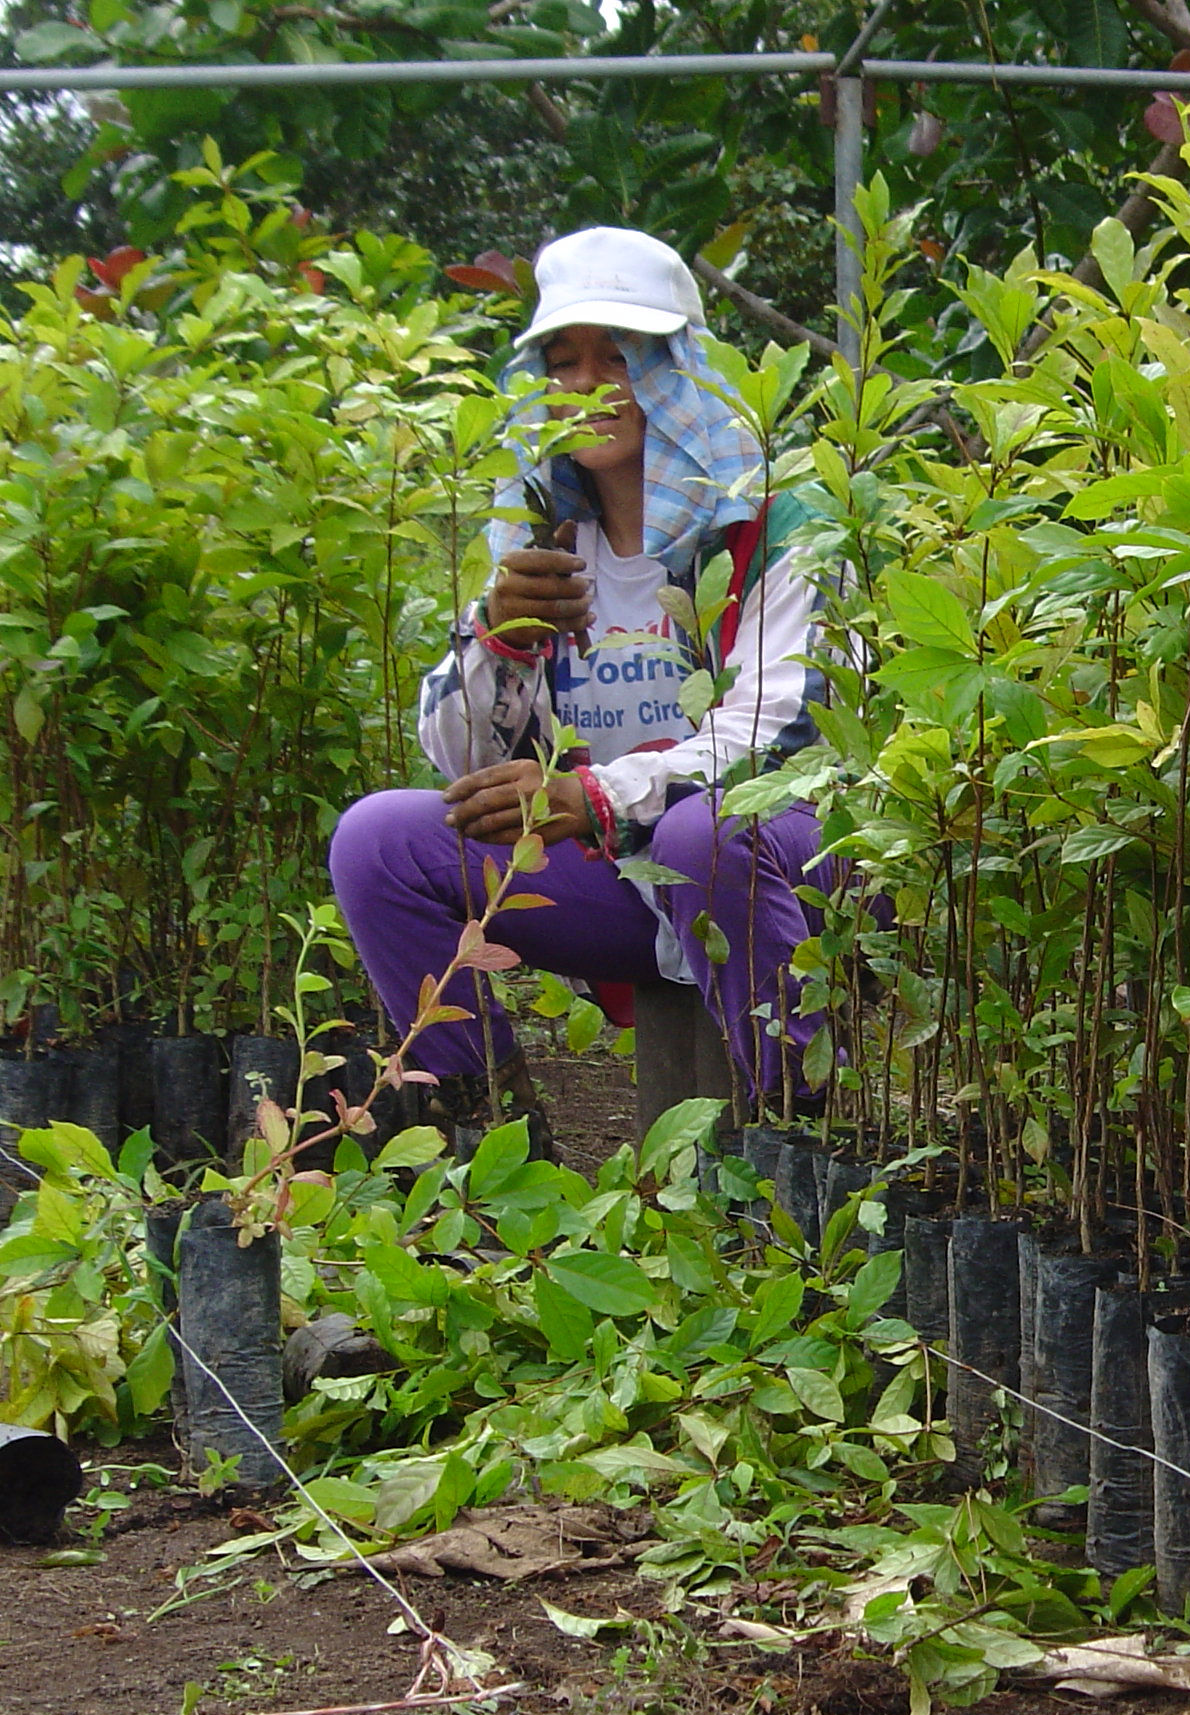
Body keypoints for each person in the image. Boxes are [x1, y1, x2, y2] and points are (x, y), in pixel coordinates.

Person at [331, 227, 832, 1144]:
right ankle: (484, 1149)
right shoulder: (543, 539)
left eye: (622, 356)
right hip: (625, 879)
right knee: (378, 841)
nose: (588, 383)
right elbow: (461, 761)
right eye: (562, 362)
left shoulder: (777, 525)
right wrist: (500, 637)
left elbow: (778, 731)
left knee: (706, 830)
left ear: (682, 370)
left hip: (775, 866)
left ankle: (792, 1144)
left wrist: (595, 795)